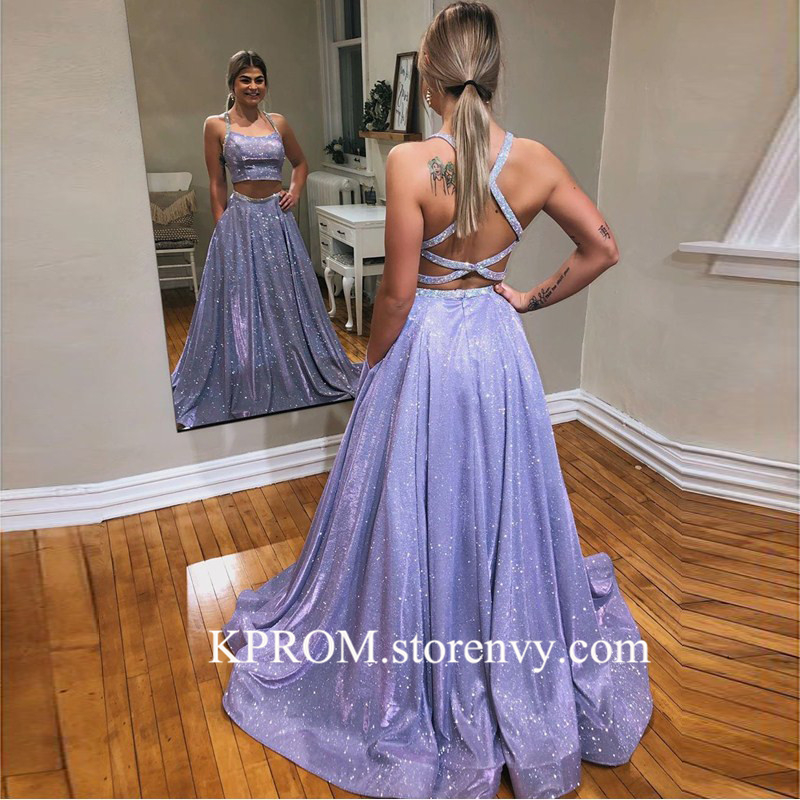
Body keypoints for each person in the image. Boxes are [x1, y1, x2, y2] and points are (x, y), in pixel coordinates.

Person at [219, 6, 652, 797]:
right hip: (495, 349)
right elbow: (603, 248)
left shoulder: (413, 162)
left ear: (427, 80)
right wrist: (525, 298)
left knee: (411, 498)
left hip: (424, 348)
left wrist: (371, 366)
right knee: (498, 495)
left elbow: (394, 294)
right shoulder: (537, 162)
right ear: (494, 73)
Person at [171, 50, 361, 430]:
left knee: (285, 297)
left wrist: (295, 191)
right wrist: (222, 224)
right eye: (246, 79)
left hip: (277, 220)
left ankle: (288, 366)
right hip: (239, 220)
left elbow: (301, 163)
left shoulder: (278, 123)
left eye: (259, 80)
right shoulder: (216, 126)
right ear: (232, 84)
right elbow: (216, 182)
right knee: (241, 300)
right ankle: (248, 370)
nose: (253, 86)